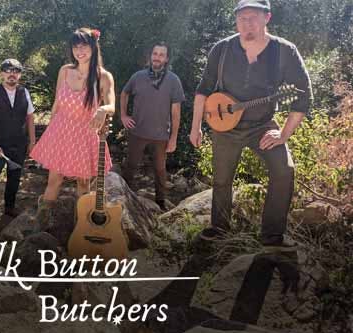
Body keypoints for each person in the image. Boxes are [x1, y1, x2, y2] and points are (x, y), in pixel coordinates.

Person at [189, 0, 312, 251]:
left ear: (267, 18)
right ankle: (220, 231)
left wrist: (284, 134)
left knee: (284, 170)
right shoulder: (221, 49)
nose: (247, 24)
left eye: (253, 17)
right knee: (222, 180)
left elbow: (304, 94)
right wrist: (195, 127)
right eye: (242, 18)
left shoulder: (284, 51)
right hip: (224, 126)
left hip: (263, 125)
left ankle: (272, 236)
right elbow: (203, 90)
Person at [30, 27, 115, 227]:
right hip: (61, 131)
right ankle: (39, 226)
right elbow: (57, 103)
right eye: (75, 46)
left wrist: (103, 109)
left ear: (94, 47)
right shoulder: (65, 71)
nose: (80, 51)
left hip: (85, 134)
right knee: (54, 180)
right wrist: (50, 130)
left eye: (84, 45)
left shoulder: (104, 77)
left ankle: (82, 226)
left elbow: (112, 105)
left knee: (83, 183)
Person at [120, 43, 185, 210]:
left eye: (161, 54)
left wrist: (174, 138)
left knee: (160, 170)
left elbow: (176, 111)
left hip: (161, 135)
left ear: (166, 58)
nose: (157, 57)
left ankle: (161, 203)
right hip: (137, 132)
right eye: (155, 53)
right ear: (151, 56)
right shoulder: (138, 76)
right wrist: (123, 115)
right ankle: (124, 199)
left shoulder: (173, 80)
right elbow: (124, 93)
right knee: (131, 165)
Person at [0, 59, 36, 226]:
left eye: (16, 71)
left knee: (14, 179)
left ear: (19, 74)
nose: (12, 74)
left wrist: (32, 141)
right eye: (8, 70)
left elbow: (30, 117)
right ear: (2, 73)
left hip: (19, 145)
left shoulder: (24, 92)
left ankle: (9, 208)